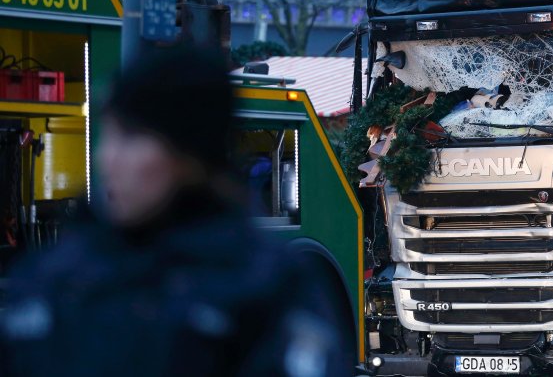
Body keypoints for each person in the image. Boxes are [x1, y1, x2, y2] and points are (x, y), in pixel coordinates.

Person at [0, 45, 354, 376]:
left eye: (131, 137)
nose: (107, 159)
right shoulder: (55, 277)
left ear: (190, 155)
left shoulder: (263, 289)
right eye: (109, 136)